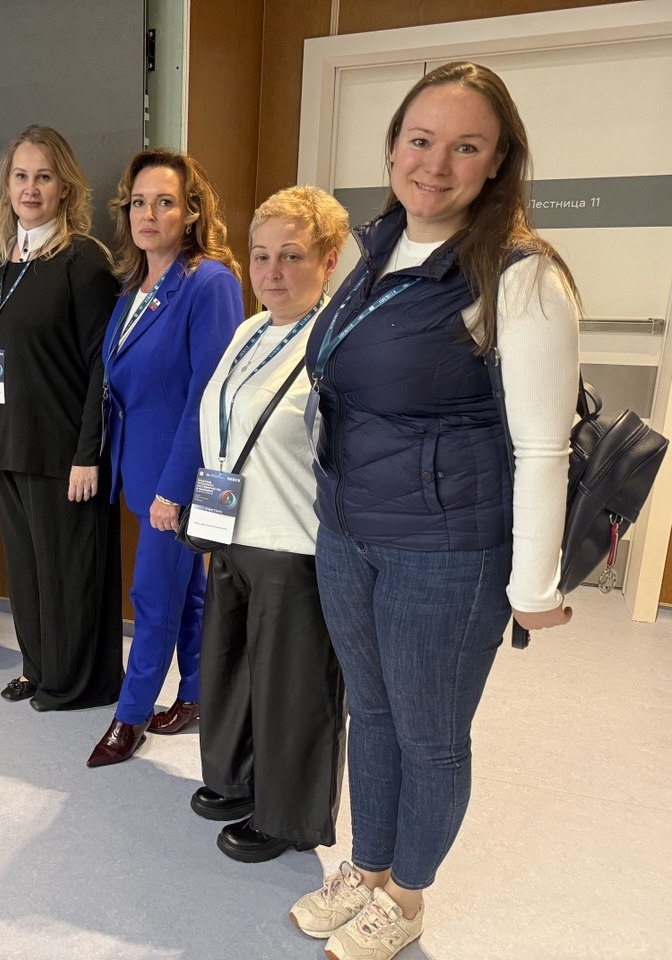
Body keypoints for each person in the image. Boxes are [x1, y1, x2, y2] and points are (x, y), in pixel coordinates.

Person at [290, 62, 579, 960]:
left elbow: (545, 446)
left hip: (447, 552)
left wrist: (533, 586)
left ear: (498, 163)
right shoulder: (376, 247)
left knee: (430, 735)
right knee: (371, 715)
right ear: (393, 148)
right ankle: (367, 868)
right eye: (421, 140)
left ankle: (407, 898)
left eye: (466, 147)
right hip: (351, 532)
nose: (436, 164)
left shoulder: (522, 276)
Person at [187, 186, 349, 861]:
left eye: (291, 255)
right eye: (260, 256)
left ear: (329, 259)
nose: (271, 272)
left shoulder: (338, 341)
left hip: (295, 544)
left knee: (293, 690)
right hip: (232, 531)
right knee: (231, 669)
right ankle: (238, 779)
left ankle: (289, 817)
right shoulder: (250, 330)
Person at [86, 149, 241, 767]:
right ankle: (199, 693)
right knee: (186, 590)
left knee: (152, 595)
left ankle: (130, 717)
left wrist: (174, 490)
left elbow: (209, 395)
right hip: (140, 469)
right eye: (138, 202)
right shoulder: (135, 287)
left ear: (192, 211)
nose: (148, 214)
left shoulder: (209, 282)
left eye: (165, 202)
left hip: (180, 478)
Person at [0, 124, 122, 711]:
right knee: (28, 574)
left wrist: (88, 454)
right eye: (21, 176)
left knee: (67, 574)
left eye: (44, 177)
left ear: (65, 188)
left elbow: (102, 367)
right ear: (6, 185)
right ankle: (36, 668)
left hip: (61, 452)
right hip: (6, 445)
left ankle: (74, 682)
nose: (30, 188)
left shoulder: (83, 260)